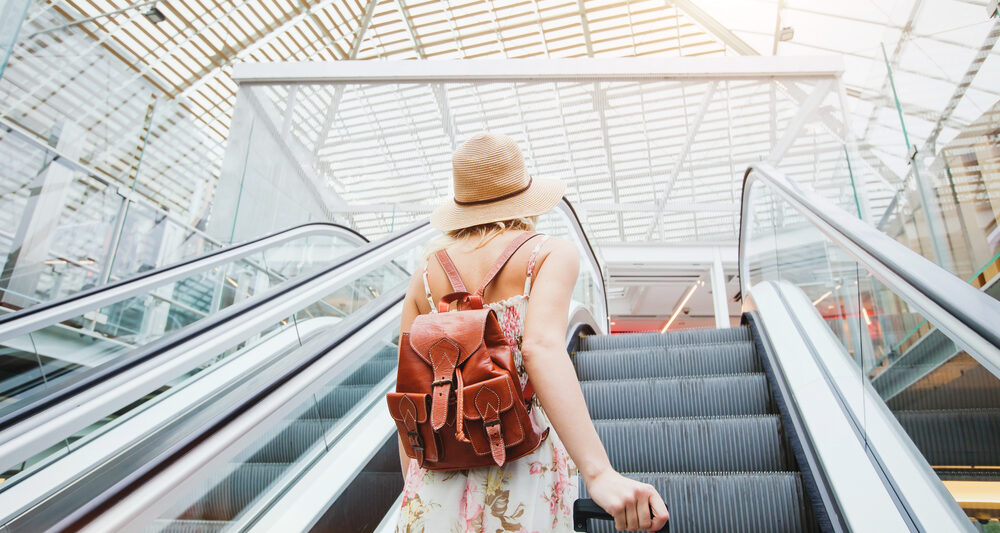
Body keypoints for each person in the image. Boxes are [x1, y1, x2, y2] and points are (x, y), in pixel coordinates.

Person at [395, 133, 669, 532]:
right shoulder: (547, 254)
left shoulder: (424, 274)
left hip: (438, 474)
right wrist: (599, 473)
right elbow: (540, 348)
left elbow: (410, 391)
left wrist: (413, 483)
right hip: (522, 462)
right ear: (525, 198)